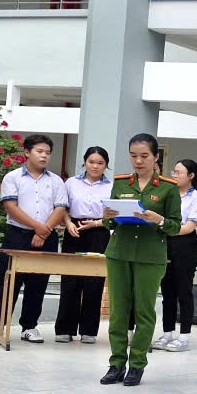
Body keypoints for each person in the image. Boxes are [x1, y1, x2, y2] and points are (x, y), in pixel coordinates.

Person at [99, 133, 181, 387]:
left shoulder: (168, 187)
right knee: (118, 311)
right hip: (119, 252)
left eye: (144, 156)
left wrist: (159, 220)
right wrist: (108, 216)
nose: (138, 161)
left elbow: (175, 226)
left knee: (144, 311)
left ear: (156, 157)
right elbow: (109, 223)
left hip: (150, 255)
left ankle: (137, 365)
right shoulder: (121, 183)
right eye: (134, 156)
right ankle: (116, 363)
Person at [0, 135, 68, 344]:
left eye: (47, 153)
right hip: (18, 235)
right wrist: (37, 228)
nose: (44, 156)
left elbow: (60, 208)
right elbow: (11, 207)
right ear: (27, 152)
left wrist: (43, 232)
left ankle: (30, 327)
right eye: (39, 151)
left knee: (38, 284)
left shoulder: (56, 181)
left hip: (47, 237)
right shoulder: (13, 177)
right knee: (9, 283)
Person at [54, 146, 112, 344]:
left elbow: (115, 215)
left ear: (106, 165)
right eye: (91, 162)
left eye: (100, 163)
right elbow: (62, 207)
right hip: (74, 230)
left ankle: (89, 330)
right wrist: (68, 223)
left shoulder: (111, 187)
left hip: (99, 231)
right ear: (84, 162)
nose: (95, 166)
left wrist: (96, 223)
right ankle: (65, 328)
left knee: (94, 282)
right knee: (70, 280)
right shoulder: (71, 183)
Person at [152, 159, 197, 352]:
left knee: (184, 291)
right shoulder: (169, 194)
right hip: (165, 242)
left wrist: (165, 225)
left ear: (191, 175)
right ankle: (167, 333)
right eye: (173, 172)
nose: (174, 176)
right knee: (167, 291)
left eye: (179, 172)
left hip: (184, 245)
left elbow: (189, 227)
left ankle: (184, 336)